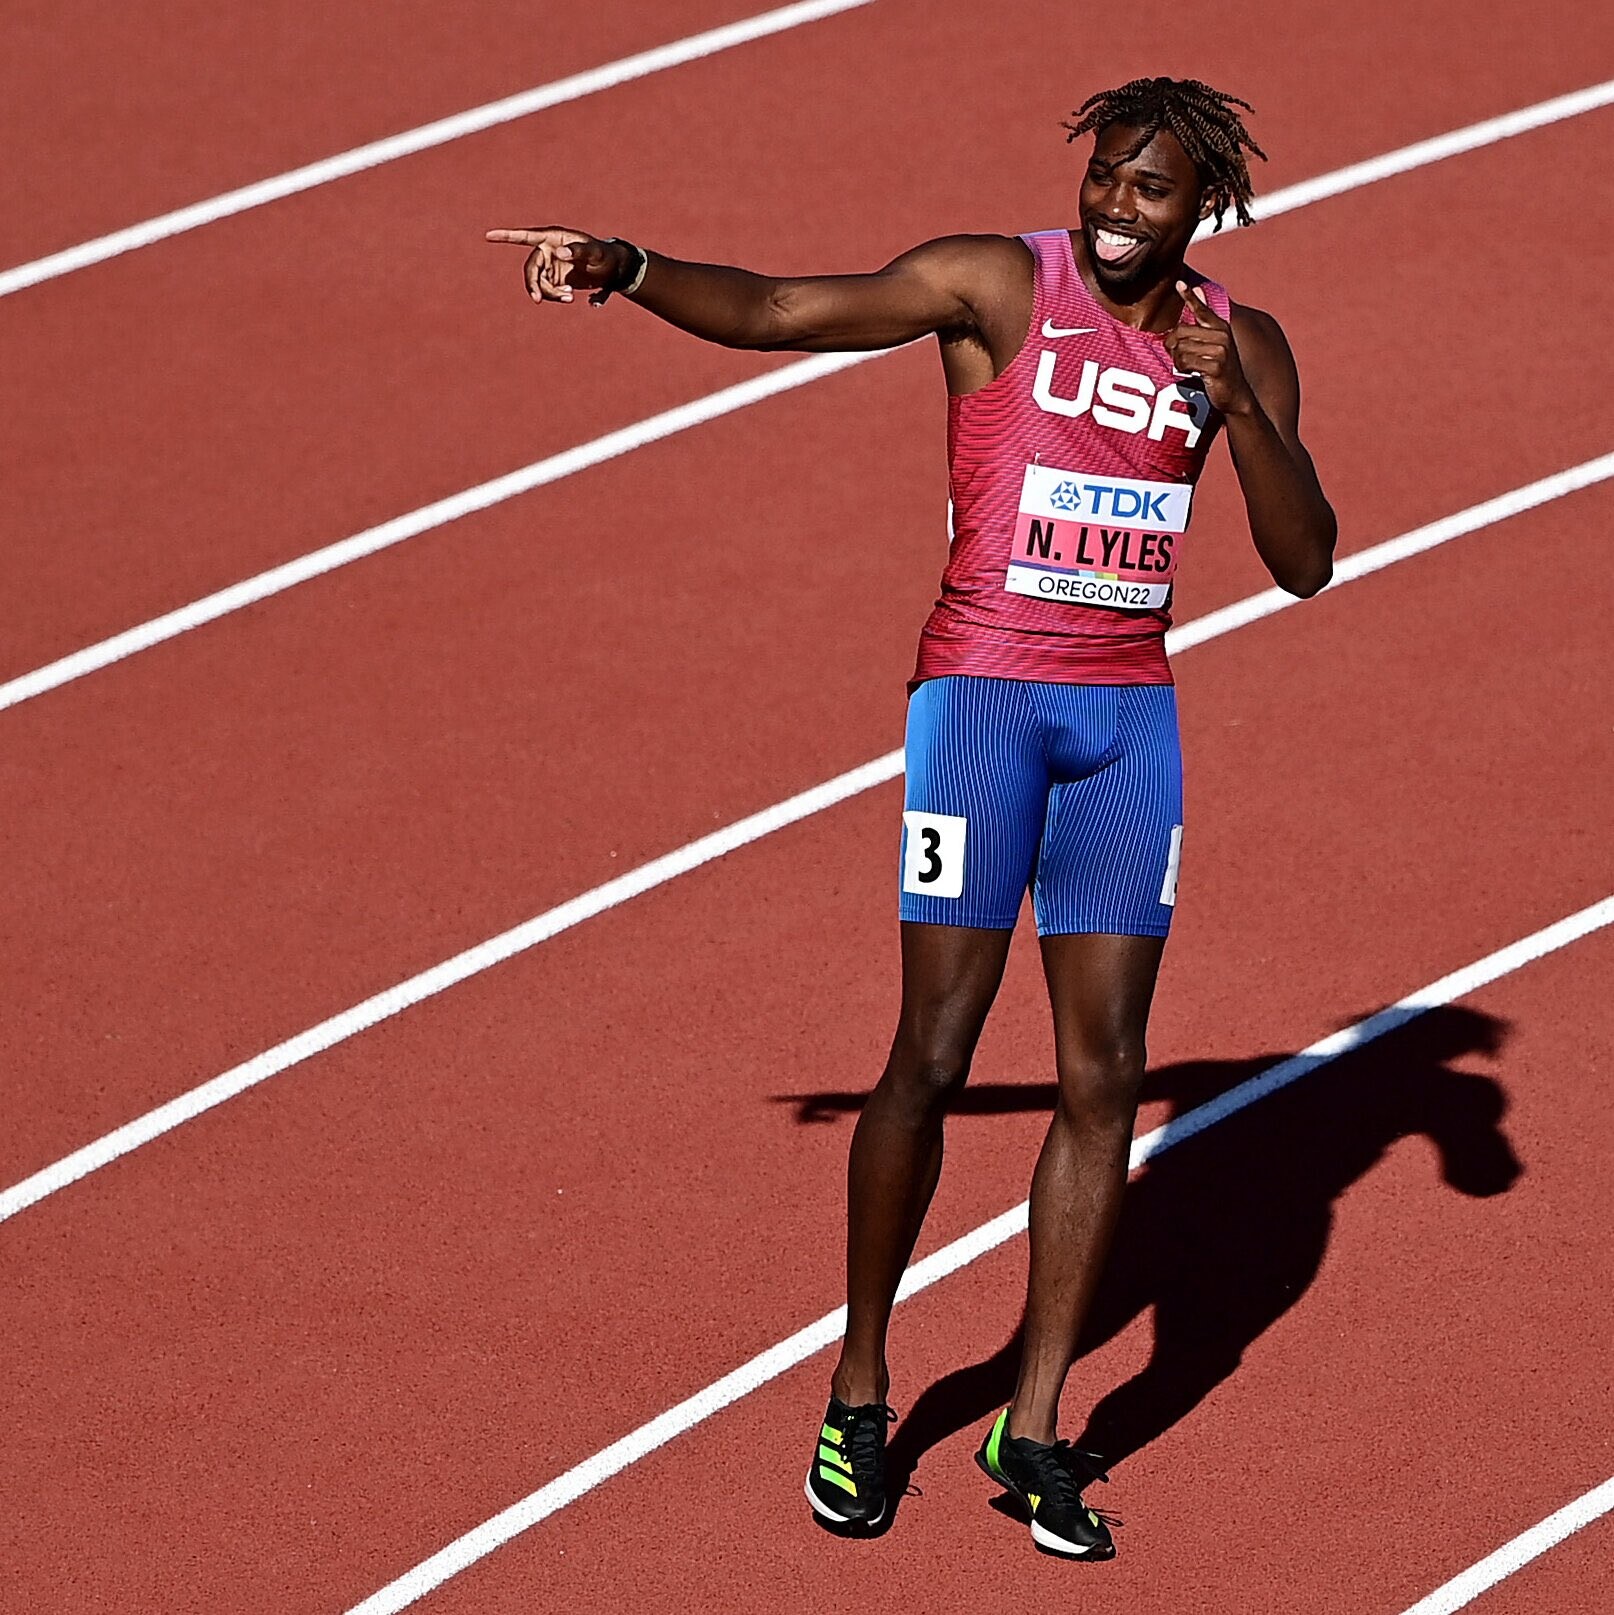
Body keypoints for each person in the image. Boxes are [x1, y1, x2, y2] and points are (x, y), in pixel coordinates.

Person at [489, 75, 1336, 1560]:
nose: (1114, 207)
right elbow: (781, 312)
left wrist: (1239, 404)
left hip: (1126, 727)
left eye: (1147, 189)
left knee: (1105, 1078)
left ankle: (1034, 1421)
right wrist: (630, 267)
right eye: (1103, 176)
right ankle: (861, 1388)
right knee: (933, 1054)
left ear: (1204, 206)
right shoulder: (997, 286)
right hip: (984, 710)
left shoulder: (1240, 342)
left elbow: (1306, 560)